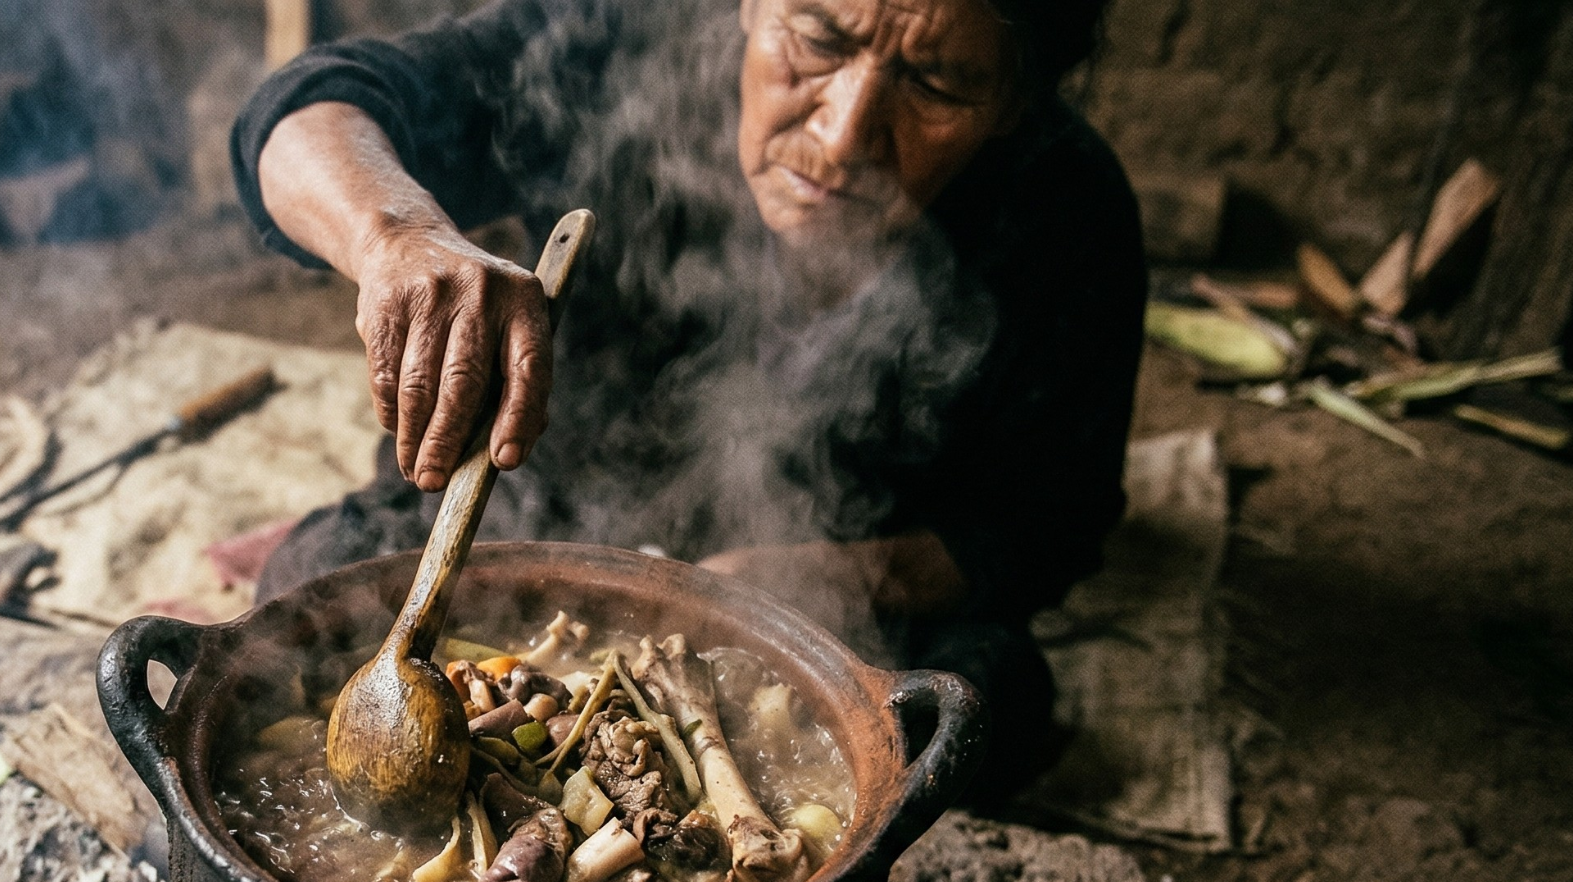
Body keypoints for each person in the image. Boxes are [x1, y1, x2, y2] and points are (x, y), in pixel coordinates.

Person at [233, 0, 1145, 802]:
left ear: (1015, 103)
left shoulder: (1066, 212)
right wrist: (395, 233)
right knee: (310, 591)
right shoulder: (615, 45)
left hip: (823, 592)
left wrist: (822, 581)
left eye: (937, 86)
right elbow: (304, 110)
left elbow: (1047, 526)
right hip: (530, 521)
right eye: (819, 37)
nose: (845, 135)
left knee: (984, 711)